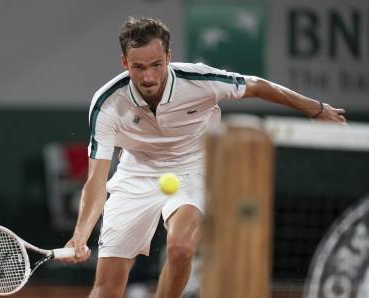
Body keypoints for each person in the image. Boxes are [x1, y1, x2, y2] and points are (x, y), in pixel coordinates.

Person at [62, 16, 346, 298]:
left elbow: (257, 85)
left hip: (193, 168)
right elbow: (96, 182)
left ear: (168, 57)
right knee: (107, 288)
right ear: (124, 62)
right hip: (136, 173)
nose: (148, 77)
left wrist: (316, 109)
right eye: (138, 67)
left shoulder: (199, 80)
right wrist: (80, 235)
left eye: (156, 65)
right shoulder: (107, 103)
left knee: (181, 247)